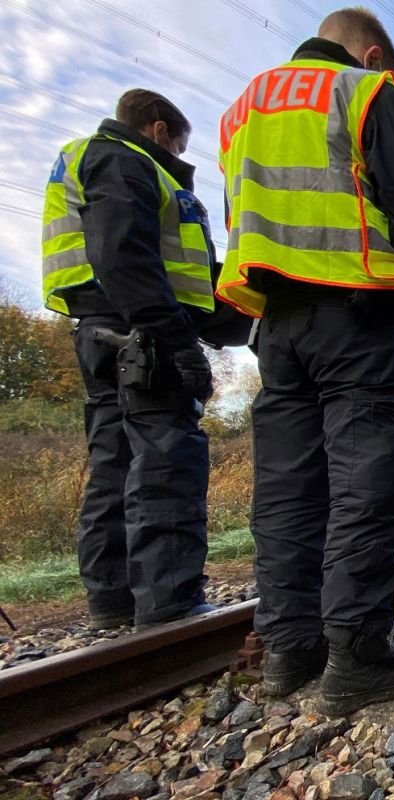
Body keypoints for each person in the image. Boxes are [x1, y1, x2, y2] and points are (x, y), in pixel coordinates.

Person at [217, 8, 394, 714]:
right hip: (355, 316)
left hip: (276, 328)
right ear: (374, 55)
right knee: (363, 484)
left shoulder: (241, 111)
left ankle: (289, 652)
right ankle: (357, 658)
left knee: (287, 493)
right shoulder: (365, 92)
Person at [41, 89, 223, 631]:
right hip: (142, 331)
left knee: (114, 460)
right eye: (179, 143)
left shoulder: (85, 158)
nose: (178, 155)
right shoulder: (125, 159)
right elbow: (124, 252)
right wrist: (175, 340)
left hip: (100, 327)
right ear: (159, 129)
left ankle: (112, 599)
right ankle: (169, 602)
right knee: (168, 458)